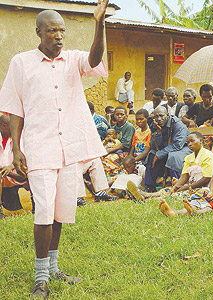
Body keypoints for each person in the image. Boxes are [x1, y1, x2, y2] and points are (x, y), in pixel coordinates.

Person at [0, 4, 109, 298]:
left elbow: (95, 59)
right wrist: (16, 150)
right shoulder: (21, 63)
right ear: (39, 33)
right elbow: (14, 109)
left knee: (61, 209)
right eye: (52, 30)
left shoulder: (73, 60)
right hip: (39, 146)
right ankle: (40, 277)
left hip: (69, 146)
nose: (59, 36)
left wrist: (99, 25)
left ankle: (53, 267)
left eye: (62, 30)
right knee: (44, 210)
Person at [159, 132, 213, 217]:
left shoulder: (208, 155)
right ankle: (147, 195)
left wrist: (187, 187)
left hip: (203, 186)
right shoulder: (189, 157)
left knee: (186, 194)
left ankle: (174, 210)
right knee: (170, 190)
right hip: (190, 186)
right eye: (188, 142)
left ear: (200, 140)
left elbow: (207, 178)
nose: (189, 144)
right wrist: (176, 187)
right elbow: (184, 176)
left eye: (192, 141)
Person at [144, 106, 192, 192]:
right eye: (156, 116)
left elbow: (178, 144)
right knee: (152, 154)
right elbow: (154, 146)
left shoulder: (177, 124)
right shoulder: (156, 124)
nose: (159, 119)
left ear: (168, 115)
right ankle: (150, 186)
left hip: (183, 148)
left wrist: (160, 154)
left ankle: (177, 185)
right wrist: (157, 132)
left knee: (172, 156)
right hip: (168, 149)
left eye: (161, 116)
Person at [0, 114, 27, 219]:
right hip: (2, 175)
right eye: (12, 126)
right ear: (3, 126)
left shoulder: (19, 139)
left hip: (15, 174)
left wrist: (10, 168)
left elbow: (24, 158)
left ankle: (36, 205)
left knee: (31, 173)